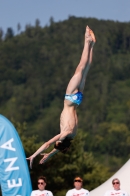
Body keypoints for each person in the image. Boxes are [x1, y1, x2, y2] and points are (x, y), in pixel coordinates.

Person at [27, 25, 96, 168]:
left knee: (86, 69)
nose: (56, 144)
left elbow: (59, 148)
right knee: (81, 67)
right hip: (70, 99)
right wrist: (34, 155)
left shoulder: (72, 135)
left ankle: (92, 46)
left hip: (77, 100)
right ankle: (87, 40)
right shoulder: (65, 133)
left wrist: (50, 155)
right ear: (60, 142)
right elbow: (48, 144)